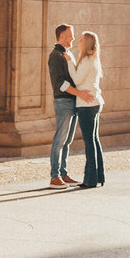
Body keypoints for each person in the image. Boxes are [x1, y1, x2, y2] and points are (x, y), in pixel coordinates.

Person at [47, 23, 80, 187]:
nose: (73, 37)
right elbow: (60, 83)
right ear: (62, 37)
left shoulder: (67, 54)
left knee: (67, 140)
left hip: (72, 101)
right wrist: (79, 93)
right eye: (70, 35)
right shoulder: (56, 56)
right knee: (60, 140)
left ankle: (64, 173)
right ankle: (55, 176)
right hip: (63, 101)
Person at [72, 30, 105, 188]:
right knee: (94, 140)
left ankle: (90, 180)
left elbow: (77, 80)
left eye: (81, 39)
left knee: (89, 142)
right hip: (95, 103)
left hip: (86, 105)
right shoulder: (94, 59)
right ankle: (99, 176)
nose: (78, 41)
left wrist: (70, 64)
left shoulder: (85, 60)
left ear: (86, 44)